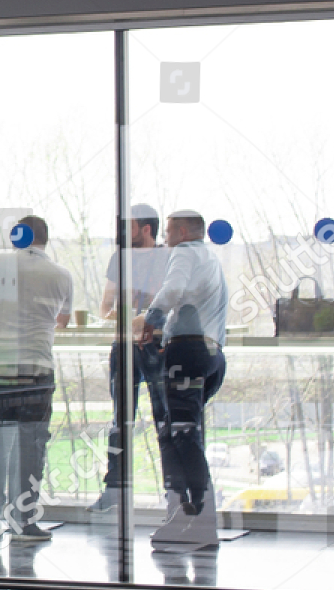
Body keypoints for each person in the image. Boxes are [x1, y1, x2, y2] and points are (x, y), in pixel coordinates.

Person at [0, 216, 73, 542]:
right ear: (45, 240)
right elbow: (62, 320)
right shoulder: (61, 275)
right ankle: (24, 522)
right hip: (36, 372)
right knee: (31, 448)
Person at [136, 210, 229, 549]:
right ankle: (188, 514)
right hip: (210, 354)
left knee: (181, 435)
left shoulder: (186, 252)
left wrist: (152, 318)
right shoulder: (211, 259)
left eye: (172, 231)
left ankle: (199, 520)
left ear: (186, 231)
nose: (166, 238)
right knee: (182, 433)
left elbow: (173, 288)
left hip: (187, 354)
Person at [89, 204, 170, 514]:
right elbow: (105, 307)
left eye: (129, 227)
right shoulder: (119, 259)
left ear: (146, 229)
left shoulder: (168, 257)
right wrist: (121, 317)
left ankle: (172, 493)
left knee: (165, 418)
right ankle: (115, 491)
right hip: (123, 345)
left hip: (158, 344)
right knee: (120, 420)